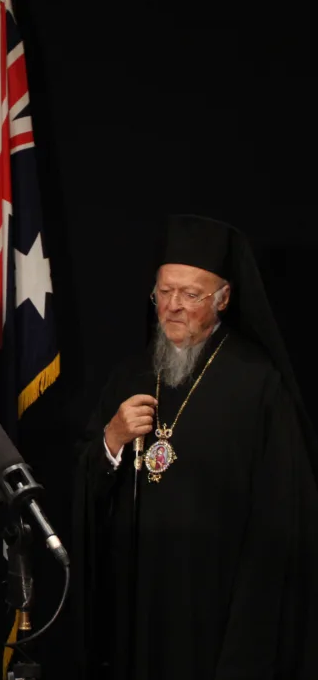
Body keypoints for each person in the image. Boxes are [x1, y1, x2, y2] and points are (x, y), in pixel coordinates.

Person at [72, 214, 318, 680]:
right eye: (164, 292)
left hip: (216, 605)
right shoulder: (131, 374)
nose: (173, 307)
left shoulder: (258, 383)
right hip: (137, 601)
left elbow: (284, 519)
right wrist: (112, 440)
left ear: (223, 298)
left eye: (191, 294)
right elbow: (85, 482)